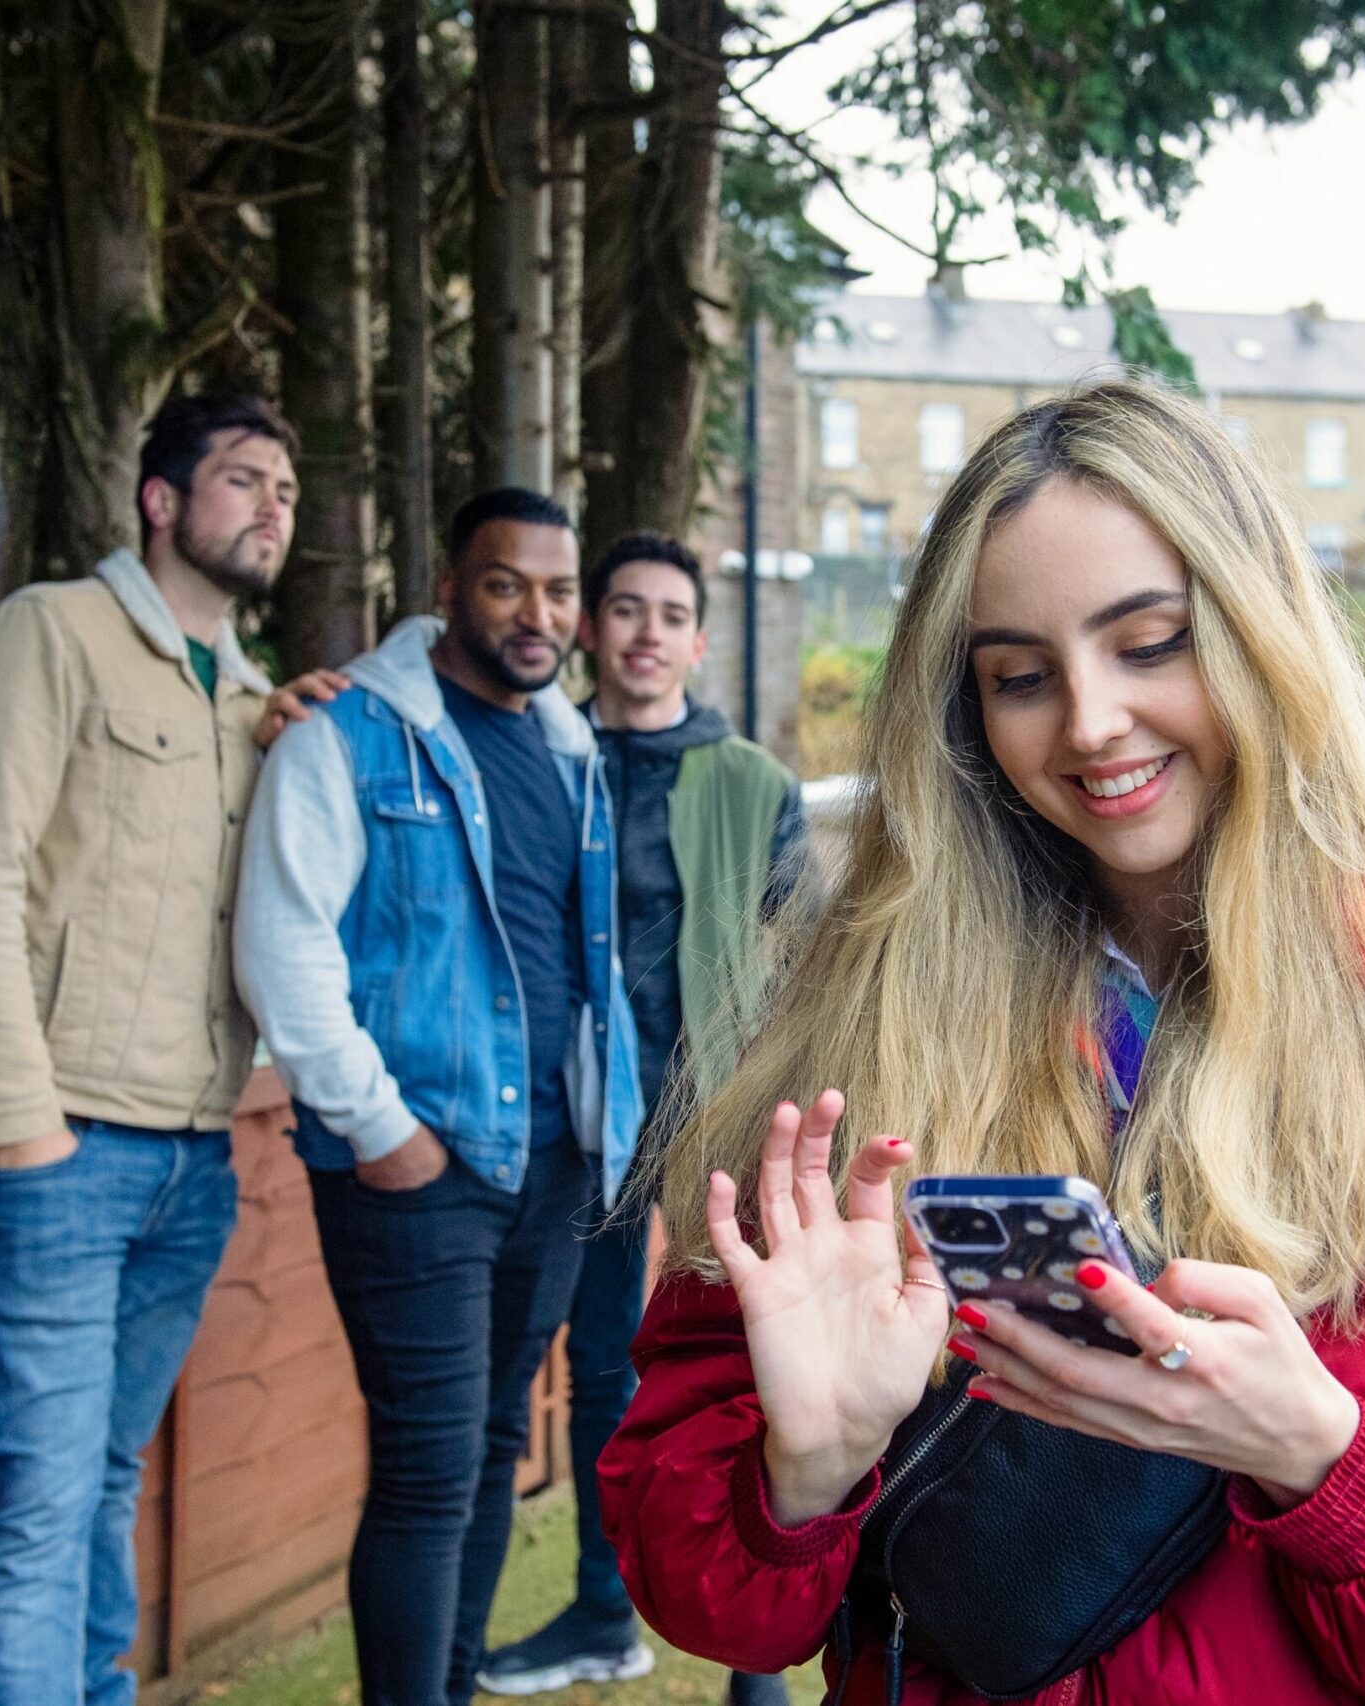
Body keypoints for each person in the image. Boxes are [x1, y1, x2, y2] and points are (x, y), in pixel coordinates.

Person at [599, 379, 1365, 1705]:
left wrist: (1336, 1467)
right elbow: (706, 1592)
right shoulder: (865, 1030)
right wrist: (801, 1473)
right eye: (1021, 677)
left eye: (1150, 643)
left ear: (1263, 640)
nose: (1090, 721)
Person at [0, 393, 341, 1706]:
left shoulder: (253, 703)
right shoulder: (51, 635)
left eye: (287, 485)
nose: (275, 502)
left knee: (104, 1473)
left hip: (190, 1158)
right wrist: (21, 1126)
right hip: (61, 1151)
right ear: (160, 499)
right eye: (243, 478)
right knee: (42, 1504)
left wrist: (292, 733)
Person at [234, 487, 642, 1706]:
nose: (538, 612)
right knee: (426, 1467)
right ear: (449, 588)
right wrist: (379, 1124)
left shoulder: (570, 746)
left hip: (552, 1160)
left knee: (494, 1449)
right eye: (507, 582)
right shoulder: (350, 734)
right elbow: (283, 941)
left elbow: (583, 959)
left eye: (559, 590)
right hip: (417, 1160)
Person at [475, 533, 805, 1703]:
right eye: (625, 608)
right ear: (591, 630)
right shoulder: (542, 757)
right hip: (579, 1121)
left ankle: (753, 1656)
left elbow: (798, 952)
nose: (647, 631)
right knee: (601, 1370)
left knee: (742, 1371)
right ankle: (602, 1609)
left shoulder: (752, 782)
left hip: (712, 1115)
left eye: (671, 613)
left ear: (698, 642)